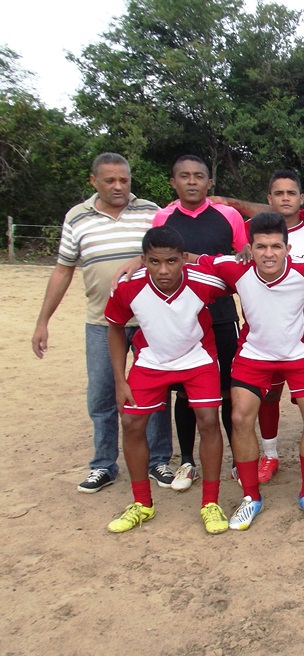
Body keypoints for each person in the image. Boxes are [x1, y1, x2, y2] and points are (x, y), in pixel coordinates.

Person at [190, 212, 304, 530]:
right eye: (261, 246)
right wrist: (136, 264)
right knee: (240, 417)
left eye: (276, 246)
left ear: (288, 248)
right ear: (249, 248)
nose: (269, 254)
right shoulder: (234, 268)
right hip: (255, 354)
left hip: (300, 353)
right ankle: (250, 497)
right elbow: (188, 261)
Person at [31, 152, 172, 493]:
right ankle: (104, 464)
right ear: (94, 182)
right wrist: (42, 321)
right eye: (110, 180)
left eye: (124, 179)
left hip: (149, 322)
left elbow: (169, 253)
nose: (119, 186)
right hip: (100, 321)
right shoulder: (77, 218)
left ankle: (159, 462)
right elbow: (64, 269)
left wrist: (139, 258)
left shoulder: (151, 212)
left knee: (153, 393)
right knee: (102, 393)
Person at [104, 226, 228, 533]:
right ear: (143, 260)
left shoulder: (204, 280)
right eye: (154, 262)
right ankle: (142, 504)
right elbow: (115, 328)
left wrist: (211, 259)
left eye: (171, 261)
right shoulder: (127, 285)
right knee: (131, 424)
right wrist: (120, 380)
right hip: (152, 360)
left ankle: (210, 503)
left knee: (209, 420)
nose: (163, 270)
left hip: (197, 358)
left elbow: (240, 273)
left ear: (183, 259)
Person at [152, 155, 248, 490]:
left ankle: (237, 458)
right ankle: (188, 462)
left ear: (209, 182)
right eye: (184, 176)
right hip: (179, 319)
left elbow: (242, 259)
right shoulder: (163, 218)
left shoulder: (228, 215)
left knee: (226, 389)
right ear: (173, 182)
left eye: (198, 176)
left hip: (220, 314)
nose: (191, 182)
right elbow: (156, 263)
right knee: (184, 392)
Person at [253, 169, 304, 484]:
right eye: (278, 193)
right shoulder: (252, 231)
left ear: (301, 198)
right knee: (267, 396)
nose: (284, 198)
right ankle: (269, 455)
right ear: (269, 199)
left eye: (290, 193)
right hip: (264, 331)